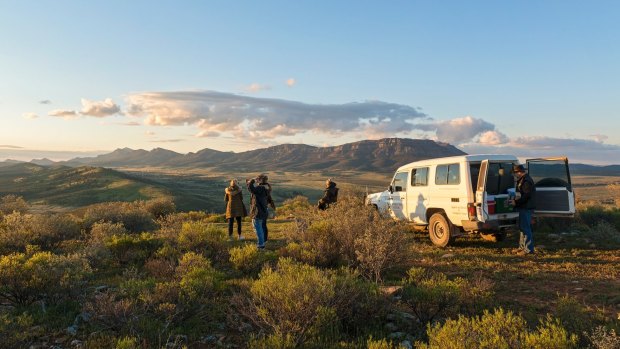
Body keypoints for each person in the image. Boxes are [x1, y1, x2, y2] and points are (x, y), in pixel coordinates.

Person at [510, 164, 536, 255]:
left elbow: (526, 196)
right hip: (523, 207)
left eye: (515, 173)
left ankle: (528, 250)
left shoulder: (526, 181)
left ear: (519, 172)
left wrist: (516, 202)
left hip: (526, 207)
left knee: (525, 228)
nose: (515, 175)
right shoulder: (523, 180)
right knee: (522, 228)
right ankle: (521, 248)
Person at [247, 174, 270, 249]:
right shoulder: (265, 188)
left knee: (258, 228)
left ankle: (261, 245)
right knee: (260, 227)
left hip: (258, 211)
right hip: (262, 211)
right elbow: (251, 190)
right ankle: (262, 242)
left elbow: (251, 189)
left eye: (257, 179)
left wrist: (252, 181)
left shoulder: (260, 188)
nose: (256, 180)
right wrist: (250, 182)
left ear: (260, 180)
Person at [259, 176, 276, 242]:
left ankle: (263, 239)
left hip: (261, 207)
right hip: (265, 207)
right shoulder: (267, 187)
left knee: (261, 224)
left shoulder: (262, 187)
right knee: (263, 224)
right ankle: (265, 238)